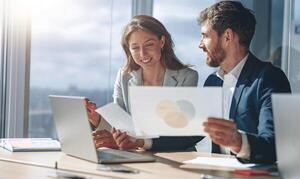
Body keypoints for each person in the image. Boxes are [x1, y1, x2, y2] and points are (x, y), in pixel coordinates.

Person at [86, 15, 201, 151]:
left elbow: (181, 133)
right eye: (135, 48)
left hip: (177, 155)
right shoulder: (124, 76)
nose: (143, 54)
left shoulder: (187, 77)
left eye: (149, 45)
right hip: (138, 155)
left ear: (162, 42)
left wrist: (140, 141)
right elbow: (121, 124)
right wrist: (97, 119)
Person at [199, 1, 291, 164]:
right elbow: (194, 132)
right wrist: (146, 141)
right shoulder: (212, 81)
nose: (200, 44)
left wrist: (239, 142)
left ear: (227, 36)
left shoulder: (270, 79)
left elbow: (275, 145)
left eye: (205, 36)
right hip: (216, 176)